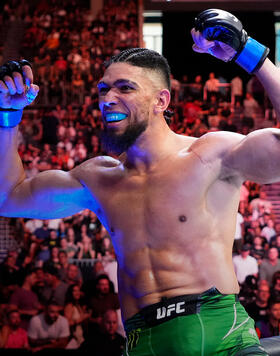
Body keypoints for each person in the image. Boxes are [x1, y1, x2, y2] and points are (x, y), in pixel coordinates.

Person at [2, 8, 280, 355]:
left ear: (161, 101)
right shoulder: (98, 178)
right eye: (104, 89)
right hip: (142, 342)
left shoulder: (210, 155)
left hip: (221, 336)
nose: (107, 100)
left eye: (124, 88)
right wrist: (7, 118)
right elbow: (9, 197)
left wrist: (251, 55)